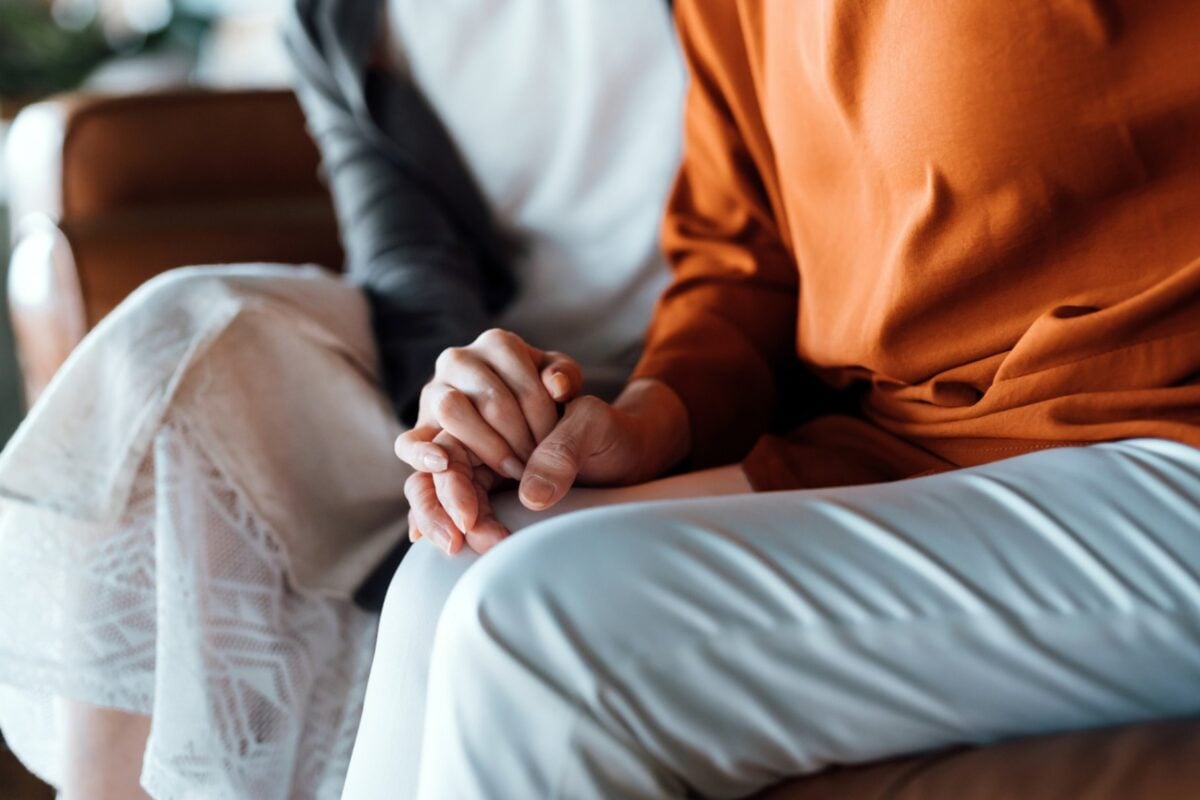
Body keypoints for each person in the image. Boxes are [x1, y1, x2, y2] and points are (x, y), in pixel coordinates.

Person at [345, 1, 1200, 797]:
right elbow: (741, 256)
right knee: (451, 574)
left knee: (539, 633)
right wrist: (647, 416)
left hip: (1165, 430)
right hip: (915, 448)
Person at [0, 0, 684, 797]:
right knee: (176, 336)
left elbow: (756, 253)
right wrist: (457, 415)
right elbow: (409, 271)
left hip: (677, 367)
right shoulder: (335, 16)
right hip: (468, 365)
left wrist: (625, 401)